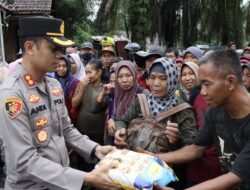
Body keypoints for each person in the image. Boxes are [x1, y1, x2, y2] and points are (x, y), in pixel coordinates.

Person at [0, 16, 119, 190]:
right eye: (53, 48)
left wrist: (95, 150)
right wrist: (85, 178)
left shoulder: (54, 85)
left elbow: (67, 129)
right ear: (29, 47)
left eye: (61, 49)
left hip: (60, 182)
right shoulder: (12, 95)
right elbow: (24, 161)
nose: (60, 55)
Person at [144, 49, 250, 190]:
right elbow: (195, 149)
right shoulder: (215, 112)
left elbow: (235, 177)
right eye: (201, 85)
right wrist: (153, 157)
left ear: (230, 82)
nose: (202, 92)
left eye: (207, 84)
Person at [115, 58, 197, 189]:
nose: (156, 83)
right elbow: (122, 120)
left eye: (163, 78)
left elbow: (192, 148)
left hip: (164, 177)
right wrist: (120, 130)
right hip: (134, 170)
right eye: (152, 77)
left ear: (172, 79)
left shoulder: (183, 110)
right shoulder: (141, 101)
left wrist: (176, 140)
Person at [54, 55, 80, 124]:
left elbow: (74, 106)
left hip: (69, 119)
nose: (61, 69)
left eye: (64, 66)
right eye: (58, 66)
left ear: (68, 67)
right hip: (55, 119)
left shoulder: (75, 82)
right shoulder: (52, 81)